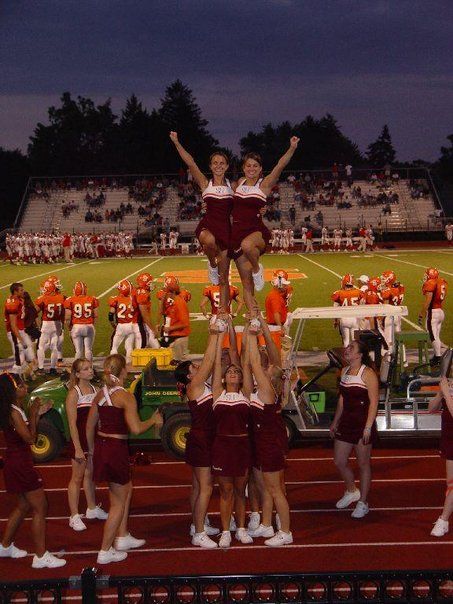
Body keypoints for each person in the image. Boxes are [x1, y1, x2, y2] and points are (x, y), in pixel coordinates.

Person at [86, 354, 163, 564]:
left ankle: (122, 537)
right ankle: (104, 550)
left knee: (124, 491)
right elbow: (136, 428)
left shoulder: (99, 394)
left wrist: (92, 452)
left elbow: (90, 425)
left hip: (102, 447)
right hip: (116, 448)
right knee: (118, 503)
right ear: (122, 372)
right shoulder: (126, 397)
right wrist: (153, 419)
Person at [0, 372, 66, 568]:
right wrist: (33, 413)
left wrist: (36, 413)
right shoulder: (14, 412)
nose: (25, 387)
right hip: (20, 463)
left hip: (15, 461)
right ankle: (40, 555)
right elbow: (30, 438)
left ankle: (5, 546)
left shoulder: (13, 408)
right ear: (12, 390)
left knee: (23, 506)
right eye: (21, 385)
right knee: (40, 506)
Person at [230, 137, 300, 313]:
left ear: (260, 169)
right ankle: (253, 316)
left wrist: (291, 148)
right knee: (246, 284)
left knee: (247, 246)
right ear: (243, 168)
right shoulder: (239, 183)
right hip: (236, 232)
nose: (251, 168)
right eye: (248, 165)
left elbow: (279, 166)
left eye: (255, 166)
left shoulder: (265, 184)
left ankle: (257, 268)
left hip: (255, 231)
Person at [170, 132, 233, 312]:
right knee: (208, 241)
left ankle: (223, 312)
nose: (218, 166)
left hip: (226, 230)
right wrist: (176, 142)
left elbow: (246, 200)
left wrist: (260, 209)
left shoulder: (233, 186)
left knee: (224, 278)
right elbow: (190, 163)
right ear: (211, 166)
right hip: (209, 224)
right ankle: (211, 263)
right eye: (215, 163)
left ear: (227, 166)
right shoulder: (206, 183)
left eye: (222, 163)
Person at [243, 317, 292, 546]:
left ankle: (285, 531)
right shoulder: (263, 387)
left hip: (270, 442)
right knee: (270, 487)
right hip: (265, 440)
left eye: (268, 367)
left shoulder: (266, 388)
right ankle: (265, 524)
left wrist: (252, 334)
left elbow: (252, 361)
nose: (268, 365)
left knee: (275, 489)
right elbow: (250, 362)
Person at [174, 324, 224, 549]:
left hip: (200, 438)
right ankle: (200, 533)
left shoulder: (197, 384)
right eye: (192, 366)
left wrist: (216, 336)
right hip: (203, 439)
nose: (197, 366)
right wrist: (214, 334)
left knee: (197, 486)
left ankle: (198, 524)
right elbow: (208, 361)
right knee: (205, 487)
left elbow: (210, 362)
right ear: (188, 374)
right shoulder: (194, 384)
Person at [211, 330, 253, 548]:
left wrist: (248, 334)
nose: (233, 373)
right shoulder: (218, 393)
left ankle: (242, 528)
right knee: (226, 491)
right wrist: (219, 338)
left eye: (236, 372)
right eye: (230, 372)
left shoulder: (246, 393)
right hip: (222, 446)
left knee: (240, 490)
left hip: (241, 446)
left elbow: (244, 362)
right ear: (223, 377)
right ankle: (226, 530)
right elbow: (218, 365)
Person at [329, 341, 379, 519]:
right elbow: (342, 399)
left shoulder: (368, 374)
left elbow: (374, 402)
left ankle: (363, 502)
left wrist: (368, 426)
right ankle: (351, 490)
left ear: (359, 355)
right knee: (339, 461)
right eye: (347, 347)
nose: (346, 350)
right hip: (347, 422)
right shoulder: (344, 371)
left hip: (362, 423)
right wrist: (335, 421)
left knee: (363, 464)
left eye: (351, 348)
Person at [66, 358, 107, 532]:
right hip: (80, 440)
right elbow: (72, 423)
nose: (90, 371)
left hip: (92, 440)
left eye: (90, 368)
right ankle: (74, 516)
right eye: (85, 369)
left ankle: (91, 509)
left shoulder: (96, 390)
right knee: (76, 478)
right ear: (77, 374)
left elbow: (98, 419)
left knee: (89, 475)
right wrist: (77, 448)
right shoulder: (74, 393)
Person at [428, 375, 453, 537]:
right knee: (450, 483)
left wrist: (446, 392)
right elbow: (431, 408)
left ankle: (443, 519)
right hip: (450, 438)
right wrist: (440, 393)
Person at [34, 279, 65, 375]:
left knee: (41, 347)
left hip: (47, 324)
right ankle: (53, 369)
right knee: (54, 346)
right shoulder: (61, 297)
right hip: (57, 324)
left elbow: (35, 312)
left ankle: (41, 368)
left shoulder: (42, 298)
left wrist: (37, 325)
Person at [4, 282, 36, 374]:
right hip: (15, 333)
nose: (23, 291)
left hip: (20, 330)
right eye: (21, 290)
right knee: (19, 358)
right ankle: (14, 377)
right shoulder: (13, 304)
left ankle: (28, 372)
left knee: (29, 351)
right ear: (15, 291)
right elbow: (13, 324)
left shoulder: (18, 300)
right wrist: (20, 339)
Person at [418, 267, 448, 364]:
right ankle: (437, 355)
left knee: (432, 336)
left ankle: (438, 357)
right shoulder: (441, 281)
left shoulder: (430, 283)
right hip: (440, 311)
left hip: (433, 313)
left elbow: (428, 300)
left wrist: (422, 313)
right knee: (436, 335)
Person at [64, 281, 99, 361]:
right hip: (89, 326)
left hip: (77, 327)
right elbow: (95, 315)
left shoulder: (70, 300)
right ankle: (90, 368)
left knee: (78, 351)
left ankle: (77, 370)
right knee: (88, 350)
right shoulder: (92, 299)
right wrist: (91, 325)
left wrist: (69, 328)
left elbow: (68, 317)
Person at [109, 279, 139, 364]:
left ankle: (112, 364)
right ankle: (129, 364)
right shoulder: (134, 299)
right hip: (132, 325)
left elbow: (111, 314)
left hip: (121, 325)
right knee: (129, 347)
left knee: (114, 347)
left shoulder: (116, 299)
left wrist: (113, 324)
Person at [331, 275, 363, 347]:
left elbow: (335, 308)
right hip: (355, 319)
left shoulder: (338, 293)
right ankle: (355, 357)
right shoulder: (359, 292)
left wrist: (335, 320)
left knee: (346, 341)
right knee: (355, 342)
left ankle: (346, 357)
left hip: (344, 319)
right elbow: (362, 305)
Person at [135, 272, 160, 349]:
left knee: (156, 347)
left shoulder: (139, 291)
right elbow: (145, 315)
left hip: (140, 323)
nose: (151, 284)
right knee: (141, 348)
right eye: (150, 283)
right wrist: (153, 329)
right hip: (139, 324)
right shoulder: (143, 294)